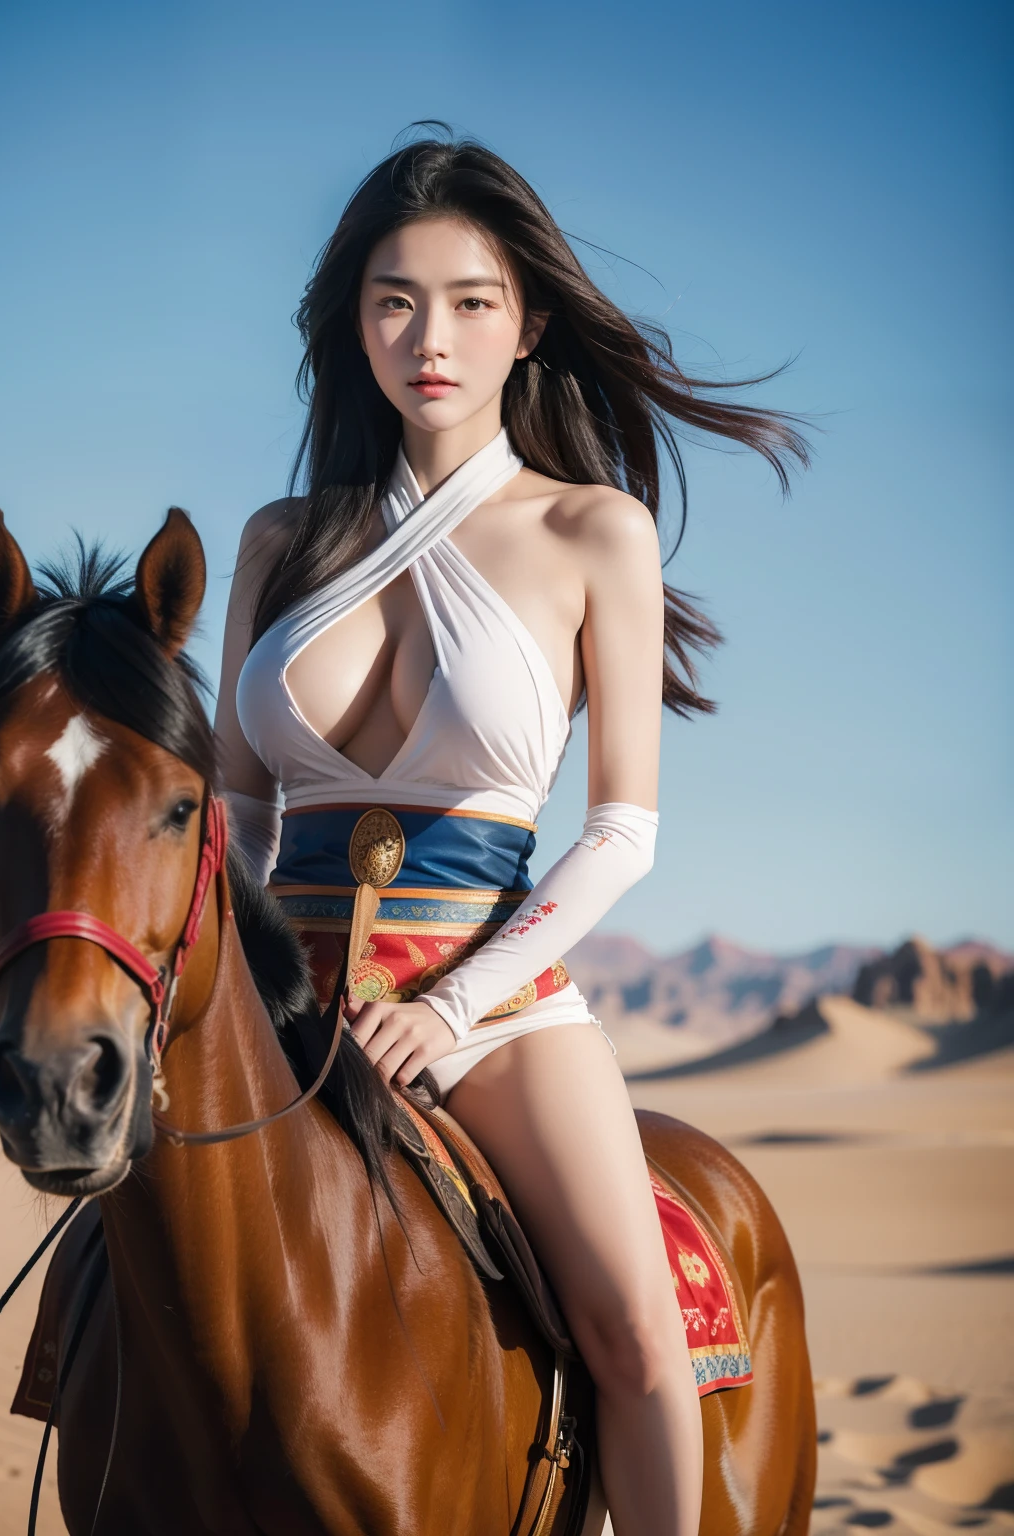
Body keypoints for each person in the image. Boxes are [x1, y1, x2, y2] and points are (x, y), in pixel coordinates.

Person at [214, 133, 807, 1536]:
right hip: (280, 996)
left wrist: (452, 1007)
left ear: (528, 320)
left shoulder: (595, 531)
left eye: (473, 300)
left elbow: (620, 834)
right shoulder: (273, 540)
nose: (433, 336)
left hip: (492, 1007)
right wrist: (245, 984)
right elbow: (237, 807)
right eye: (394, 298)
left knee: (636, 1337)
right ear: (352, 323)